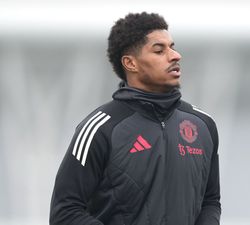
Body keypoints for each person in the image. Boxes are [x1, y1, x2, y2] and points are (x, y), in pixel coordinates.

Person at [50, 12, 221, 225]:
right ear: (130, 63)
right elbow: (65, 212)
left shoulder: (203, 125)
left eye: (172, 47)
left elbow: (210, 201)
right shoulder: (100, 128)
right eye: (159, 50)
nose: (175, 56)